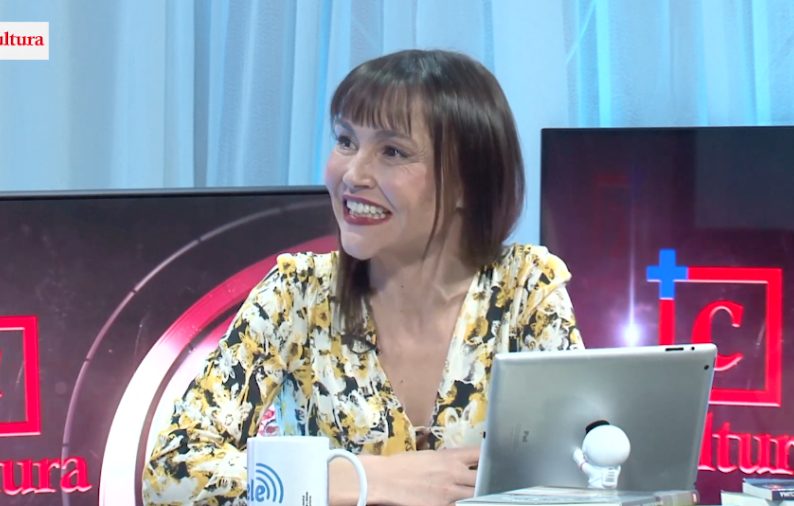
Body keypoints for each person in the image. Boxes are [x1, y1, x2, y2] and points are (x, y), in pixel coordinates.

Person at [142, 49, 584, 506]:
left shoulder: (525, 288)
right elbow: (172, 474)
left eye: (392, 151)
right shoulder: (297, 295)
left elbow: (581, 476)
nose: (353, 174)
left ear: (467, 184)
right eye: (346, 141)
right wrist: (365, 478)